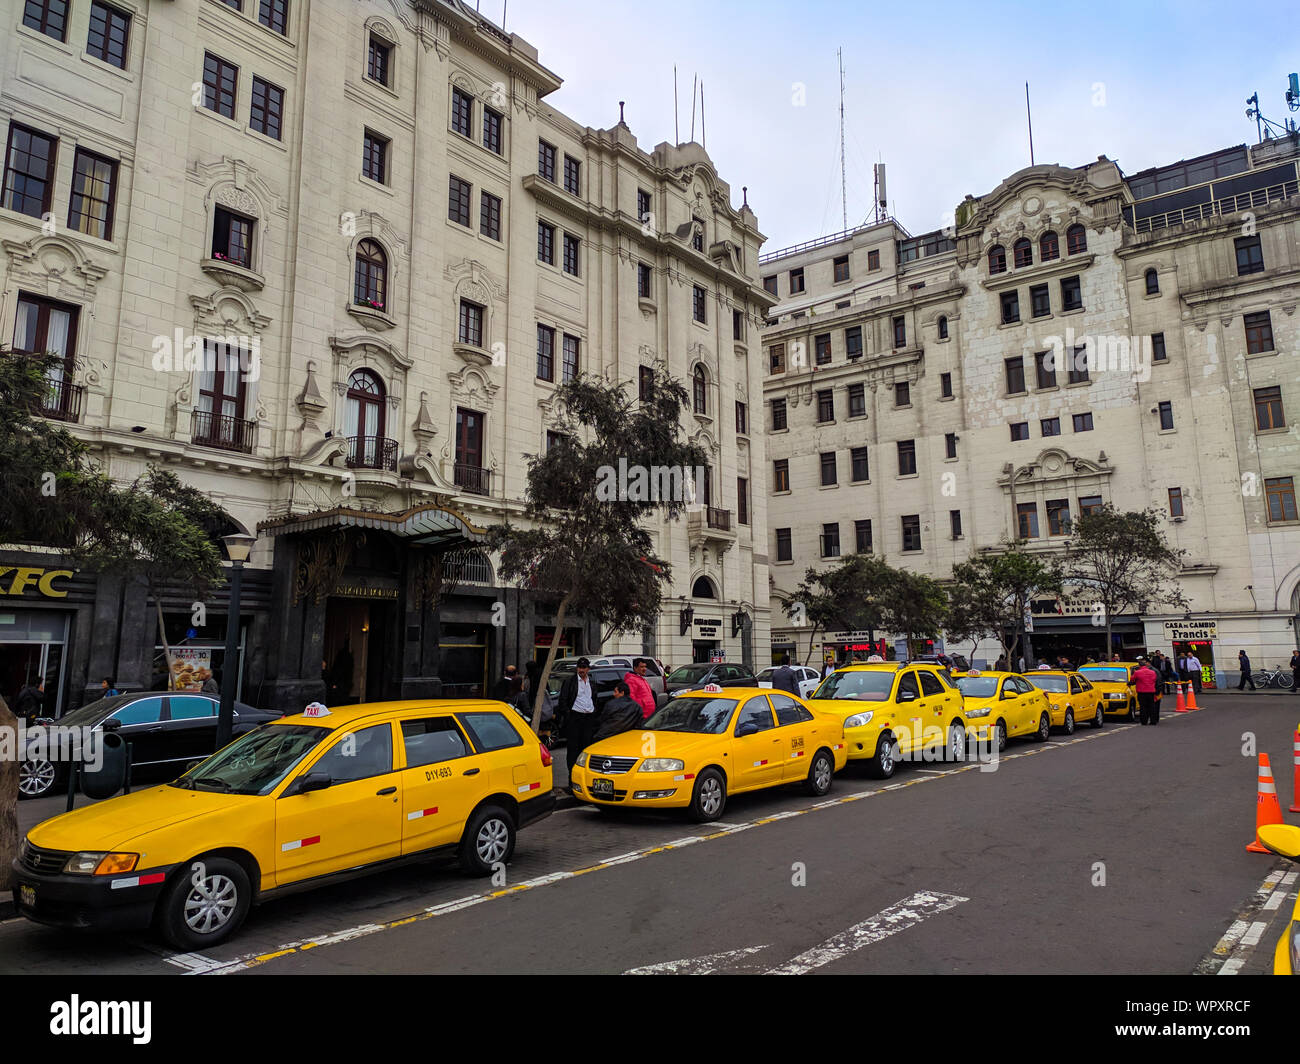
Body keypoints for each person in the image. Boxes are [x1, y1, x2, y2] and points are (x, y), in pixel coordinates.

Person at [558, 658, 597, 781]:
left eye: (584, 668)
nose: (582, 670)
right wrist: (568, 715)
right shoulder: (570, 682)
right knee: (573, 749)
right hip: (575, 717)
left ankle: (584, 776)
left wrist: (593, 712)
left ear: (588, 669)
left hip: (588, 718)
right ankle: (572, 777)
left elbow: (594, 698)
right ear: (577, 668)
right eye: (580, 667)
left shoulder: (592, 682)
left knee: (585, 747)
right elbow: (563, 700)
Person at [1134, 658, 1159, 725]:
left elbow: (1132, 680)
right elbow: (1155, 680)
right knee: (1152, 706)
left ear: (1140, 666)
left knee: (1143, 707)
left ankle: (1144, 721)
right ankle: (1153, 721)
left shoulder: (1137, 672)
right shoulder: (1153, 672)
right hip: (1151, 691)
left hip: (1142, 692)